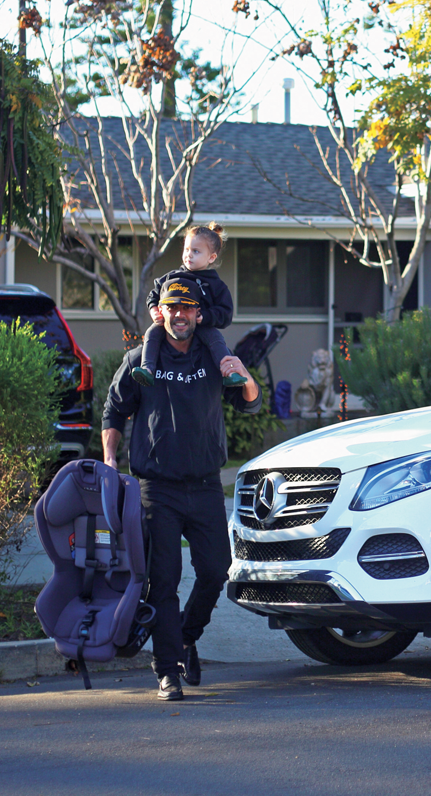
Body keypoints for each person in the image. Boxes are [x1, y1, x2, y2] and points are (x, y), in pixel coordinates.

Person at [102, 276, 261, 701]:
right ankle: (167, 670)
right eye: (173, 308)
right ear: (163, 312)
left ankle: (188, 637)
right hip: (157, 487)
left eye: (187, 309)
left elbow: (251, 399)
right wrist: (109, 461)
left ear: (198, 313)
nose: (180, 315)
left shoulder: (212, 356)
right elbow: (113, 411)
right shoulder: (141, 359)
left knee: (215, 571)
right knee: (164, 579)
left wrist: (242, 374)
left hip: (206, 485)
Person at [132, 222, 246, 387]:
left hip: (202, 327)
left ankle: (230, 374)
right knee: (152, 333)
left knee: (217, 341)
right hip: (172, 325)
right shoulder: (173, 277)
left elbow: (226, 312)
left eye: (196, 251)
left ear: (211, 257)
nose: (189, 255)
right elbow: (153, 294)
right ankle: (147, 370)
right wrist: (153, 309)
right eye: (186, 250)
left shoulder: (216, 285)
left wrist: (206, 316)